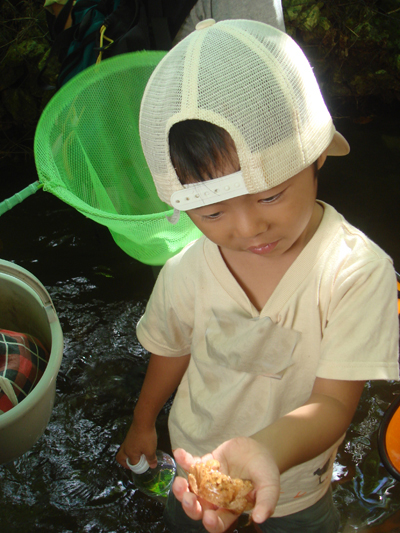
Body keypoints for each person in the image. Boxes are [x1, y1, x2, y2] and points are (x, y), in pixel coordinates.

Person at [116, 19, 399, 533]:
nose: (249, 228)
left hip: (294, 486)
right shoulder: (187, 270)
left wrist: (263, 451)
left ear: (316, 157)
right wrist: (142, 423)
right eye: (212, 212)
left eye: (270, 195)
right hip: (195, 474)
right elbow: (171, 350)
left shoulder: (355, 272)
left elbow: (334, 401)